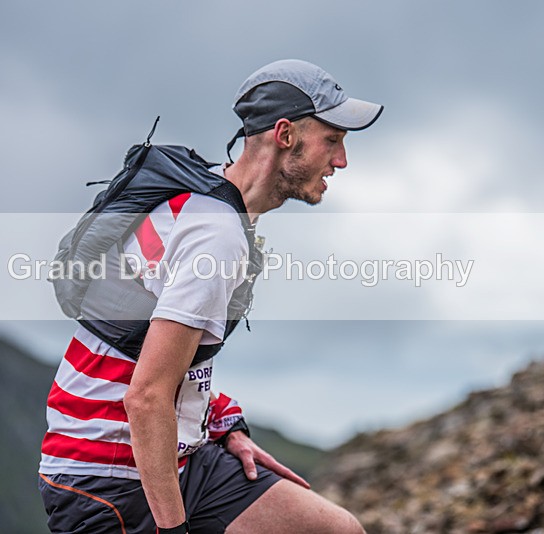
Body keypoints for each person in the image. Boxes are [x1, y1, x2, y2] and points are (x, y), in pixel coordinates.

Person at [38, 59, 383, 534]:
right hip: (109, 475)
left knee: (335, 529)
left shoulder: (213, 202)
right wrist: (173, 527)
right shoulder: (215, 232)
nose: (341, 161)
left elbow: (150, 347)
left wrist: (219, 421)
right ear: (285, 135)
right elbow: (146, 395)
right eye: (333, 140)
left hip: (176, 457)